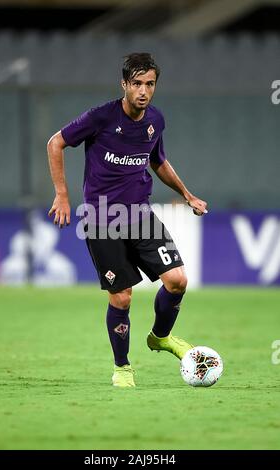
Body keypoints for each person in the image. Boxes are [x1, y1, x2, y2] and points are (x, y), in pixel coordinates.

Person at [47, 53, 207, 388]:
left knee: (177, 280)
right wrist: (62, 194)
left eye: (149, 84)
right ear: (124, 84)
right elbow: (56, 143)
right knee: (122, 298)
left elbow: (157, 161)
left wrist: (187, 194)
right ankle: (123, 367)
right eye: (137, 83)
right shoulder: (101, 117)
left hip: (140, 215)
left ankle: (160, 337)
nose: (143, 91)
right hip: (102, 218)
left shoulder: (156, 121)